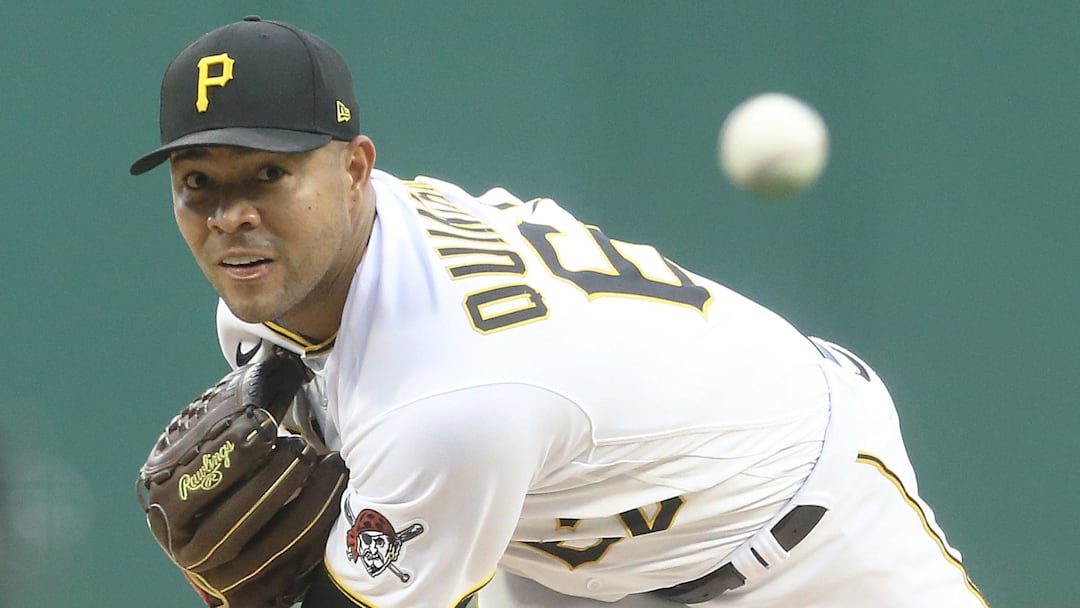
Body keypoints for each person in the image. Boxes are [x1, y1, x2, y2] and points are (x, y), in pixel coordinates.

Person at [130, 16, 989, 608]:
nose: (229, 216)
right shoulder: (279, 290)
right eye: (197, 183)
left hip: (801, 534)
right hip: (562, 552)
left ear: (356, 170)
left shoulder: (447, 395)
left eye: (268, 174)